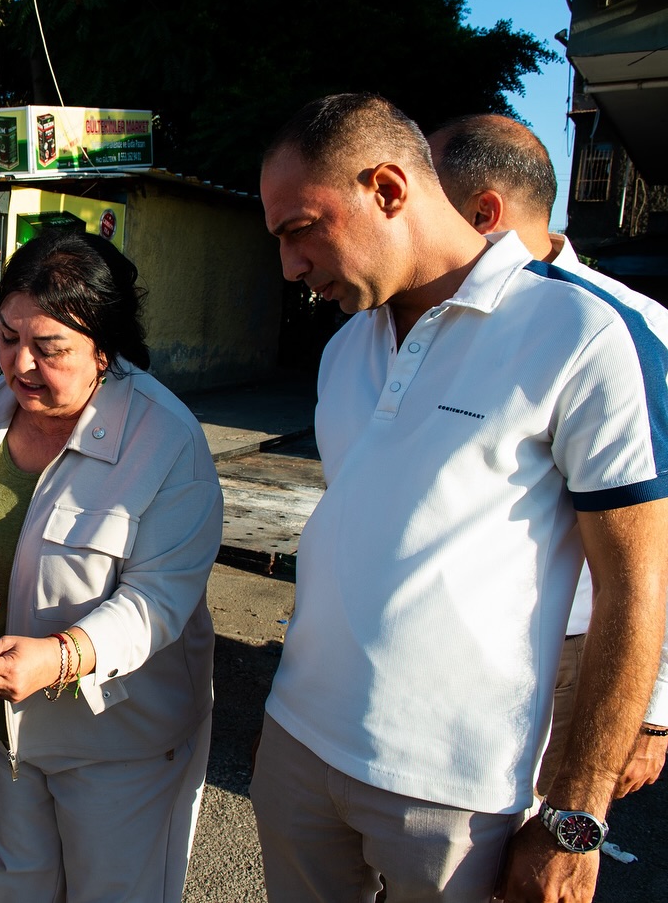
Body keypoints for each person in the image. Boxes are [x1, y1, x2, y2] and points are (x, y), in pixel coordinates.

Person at [251, 92, 668, 903]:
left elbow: (635, 586)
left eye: (299, 228)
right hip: (297, 743)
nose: (289, 265)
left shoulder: (577, 333)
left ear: (388, 188)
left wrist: (576, 822)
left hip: (456, 792)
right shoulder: (345, 349)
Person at [0, 230, 223, 903]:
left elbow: (159, 598)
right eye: (9, 338)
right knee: (15, 882)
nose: (21, 365)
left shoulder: (165, 437)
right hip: (6, 719)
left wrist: (62, 656)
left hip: (118, 740)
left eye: (50, 348)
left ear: (105, 348)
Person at [428, 113, 668, 799]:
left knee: (529, 852)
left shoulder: (633, 331)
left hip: (569, 655)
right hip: (440, 650)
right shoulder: (426, 324)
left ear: (485, 212)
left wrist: (653, 712)